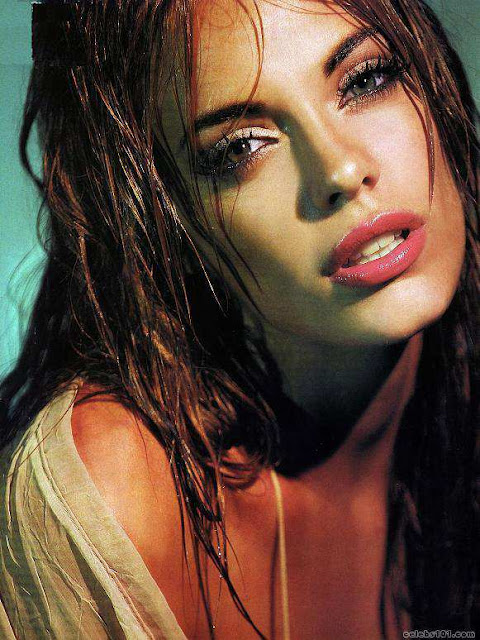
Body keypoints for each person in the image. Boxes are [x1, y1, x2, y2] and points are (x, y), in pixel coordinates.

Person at [0, 0, 478, 638]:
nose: (340, 170)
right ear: (166, 222)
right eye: (241, 147)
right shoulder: (123, 489)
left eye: (366, 80)